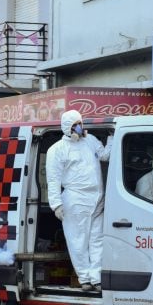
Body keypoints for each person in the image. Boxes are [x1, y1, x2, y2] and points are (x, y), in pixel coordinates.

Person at [46, 110, 113, 292]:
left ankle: (96, 278)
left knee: (97, 239)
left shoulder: (90, 141)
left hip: (97, 198)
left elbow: (105, 156)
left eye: (80, 123)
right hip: (75, 199)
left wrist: (112, 138)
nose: (79, 127)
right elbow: (53, 180)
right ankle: (84, 278)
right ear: (67, 127)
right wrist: (56, 204)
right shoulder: (57, 150)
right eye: (75, 124)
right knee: (78, 240)